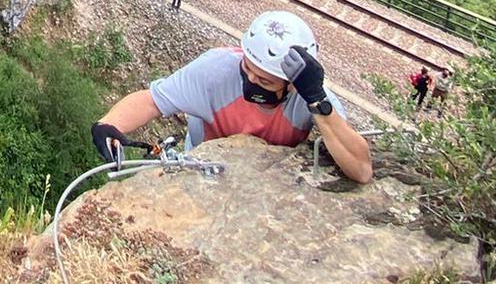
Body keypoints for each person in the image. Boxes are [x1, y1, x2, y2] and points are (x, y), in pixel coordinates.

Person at [91, 10, 374, 184]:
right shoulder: (217, 70)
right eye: (247, 70)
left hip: (267, 182)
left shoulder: (309, 95)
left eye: (264, 80)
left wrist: (316, 103)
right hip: (201, 171)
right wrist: (110, 124)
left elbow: (361, 169)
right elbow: (154, 101)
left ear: (292, 84)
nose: (251, 81)